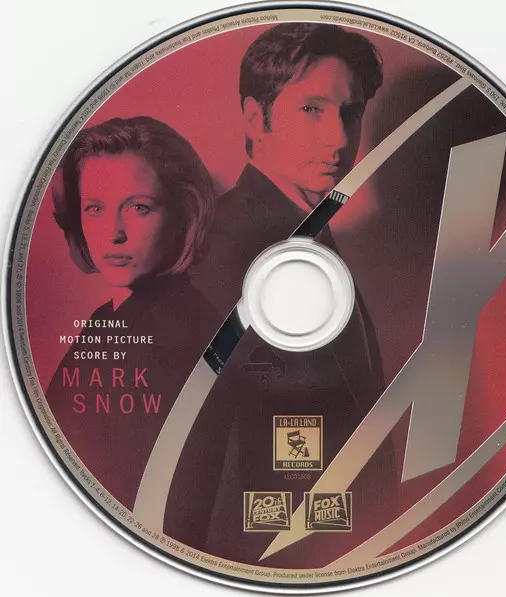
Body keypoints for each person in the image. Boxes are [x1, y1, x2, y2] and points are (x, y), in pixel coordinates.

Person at [164, 24, 398, 568]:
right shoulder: (227, 241)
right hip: (269, 551)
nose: (338, 140)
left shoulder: (301, 229)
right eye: (311, 110)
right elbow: (217, 441)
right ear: (255, 118)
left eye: (351, 113)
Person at [45, 116, 221, 511]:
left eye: (139, 207)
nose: (114, 232)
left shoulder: (182, 335)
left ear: (183, 214)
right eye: (94, 208)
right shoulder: (107, 320)